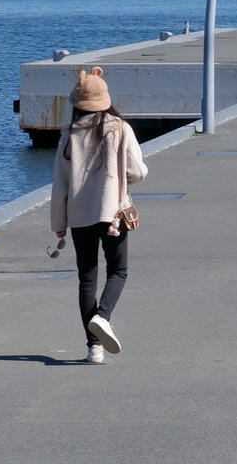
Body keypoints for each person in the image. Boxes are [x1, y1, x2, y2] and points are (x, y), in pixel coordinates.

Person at [50, 67, 147, 365]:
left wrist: (58, 224)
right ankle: (103, 317)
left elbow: (60, 184)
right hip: (113, 212)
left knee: (87, 277)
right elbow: (136, 171)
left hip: (79, 215)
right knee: (118, 271)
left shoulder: (68, 135)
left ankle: (94, 348)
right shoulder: (119, 128)